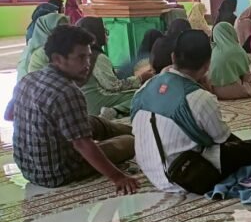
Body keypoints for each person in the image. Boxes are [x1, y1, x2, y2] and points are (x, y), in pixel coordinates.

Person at [132, 30, 251, 194]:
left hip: (150, 171)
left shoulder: (145, 88)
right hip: (186, 175)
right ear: (208, 65)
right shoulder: (199, 97)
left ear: (173, 57)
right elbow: (223, 140)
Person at [12, 25, 139, 193]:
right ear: (57, 58)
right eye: (81, 57)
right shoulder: (67, 92)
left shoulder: (28, 79)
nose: (87, 64)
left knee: (91, 122)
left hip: (28, 168)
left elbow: (9, 114)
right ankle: (137, 135)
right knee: (129, 142)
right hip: (58, 173)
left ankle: (137, 131)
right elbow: (82, 144)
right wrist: (118, 177)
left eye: (88, 56)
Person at [77, 17, 151, 118]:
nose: (107, 35)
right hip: (95, 102)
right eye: (104, 31)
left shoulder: (80, 54)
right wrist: (140, 78)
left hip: (84, 101)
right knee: (143, 93)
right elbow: (114, 86)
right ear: (96, 33)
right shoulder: (97, 57)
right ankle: (114, 111)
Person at [209, 22, 251, 100]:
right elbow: (247, 78)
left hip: (213, 90)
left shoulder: (212, 50)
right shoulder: (237, 50)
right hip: (230, 91)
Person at [17, 12, 67, 81]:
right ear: (47, 29)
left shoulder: (33, 44)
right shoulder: (40, 54)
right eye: (59, 29)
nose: (66, 33)